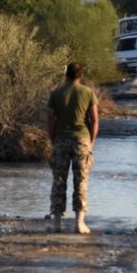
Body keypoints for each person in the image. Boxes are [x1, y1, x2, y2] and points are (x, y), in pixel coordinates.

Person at [46, 63, 99, 234]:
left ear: (66, 75)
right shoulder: (88, 93)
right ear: (81, 76)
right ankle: (79, 223)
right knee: (81, 181)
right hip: (82, 140)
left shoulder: (56, 94)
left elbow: (49, 120)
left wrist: (53, 139)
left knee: (59, 181)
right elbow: (94, 120)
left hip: (61, 139)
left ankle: (56, 223)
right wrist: (91, 142)